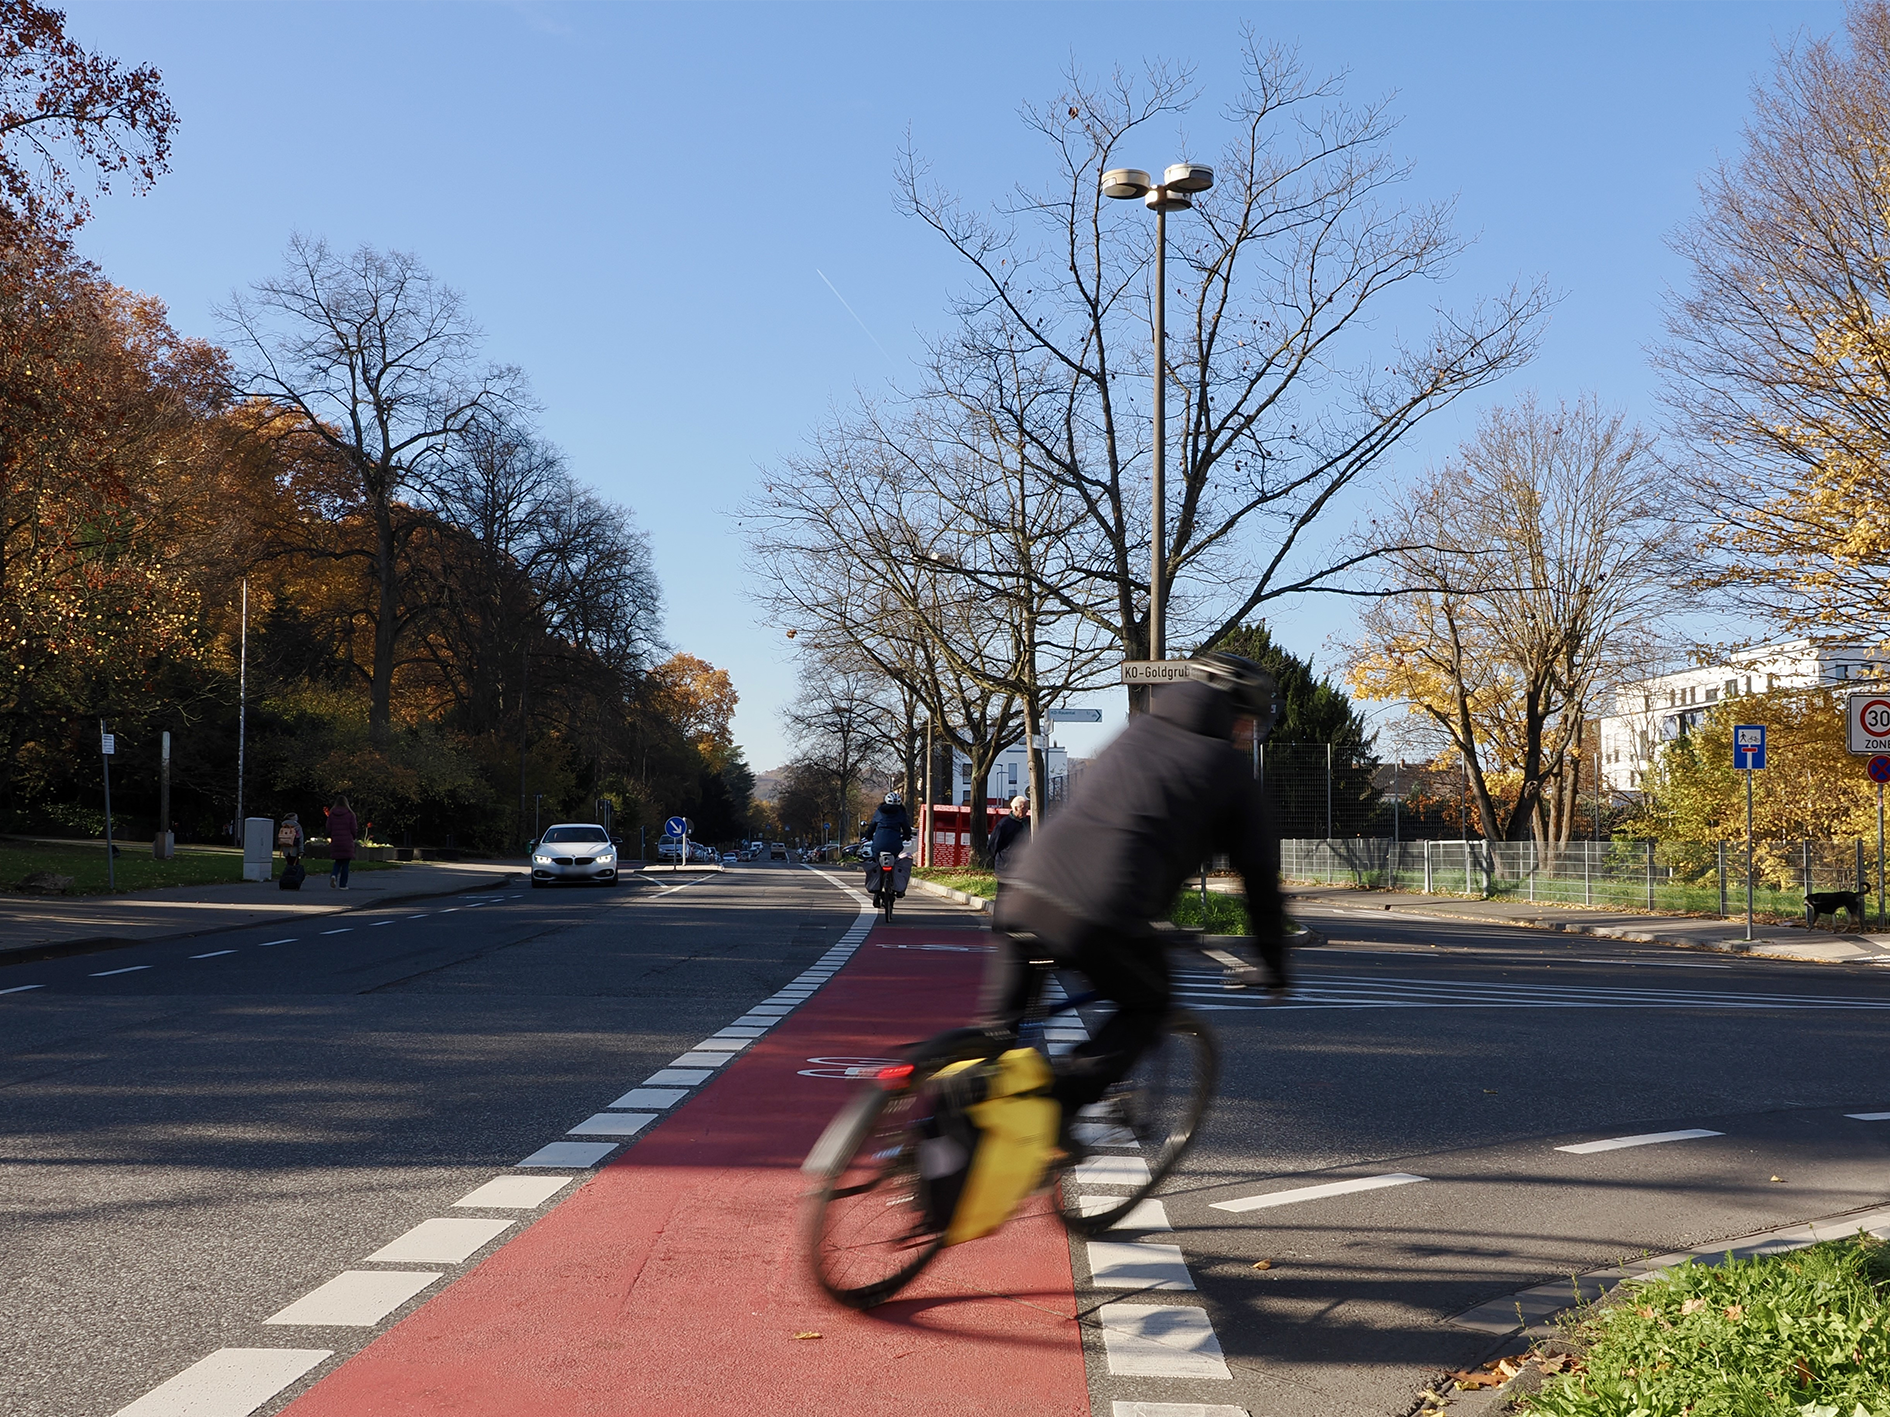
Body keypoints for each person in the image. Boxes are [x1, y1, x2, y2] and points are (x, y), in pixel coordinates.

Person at [986, 652, 1288, 1131]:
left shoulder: (1138, 733)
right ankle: (1054, 1109)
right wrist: (1274, 963)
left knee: (993, 1041)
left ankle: (939, 1117)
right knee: (1149, 1004)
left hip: (1023, 888)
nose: (1250, 735)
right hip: (1098, 914)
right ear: (1239, 715)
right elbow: (1259, 878)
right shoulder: (1231, 772)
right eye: (1251, 723)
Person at [989, 795, 1031, 876]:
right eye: (1024, 808)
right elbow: (992, 845)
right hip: (1005, 867)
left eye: (1027, 808)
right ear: (1015, 808)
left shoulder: (1026, 823)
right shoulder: (1003, 824)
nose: (1026, 810)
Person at [325, 796, 358, 889]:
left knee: (337, 861)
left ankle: (333, 875)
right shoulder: (350, 814)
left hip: (336, 840)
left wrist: (330, 836)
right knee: (346, 864)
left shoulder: (332, 814)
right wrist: (353, 837)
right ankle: (343, 885)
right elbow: (353, 828)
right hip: (347, 840)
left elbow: (328, 828)